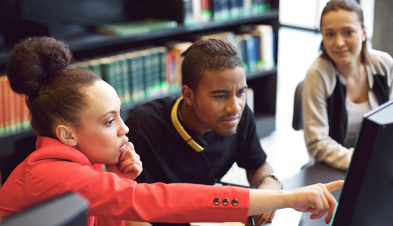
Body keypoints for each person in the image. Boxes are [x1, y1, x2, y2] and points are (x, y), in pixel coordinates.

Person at [0, 36, 343, 226]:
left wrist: (120, 179)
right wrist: (287, 199)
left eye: (119, 116)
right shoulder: (49, 172)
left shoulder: (80, 164)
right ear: (67, 134)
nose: (125, 128)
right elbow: (153, 201)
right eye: (109, 121)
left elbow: (110, 215)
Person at [125, 38, 284, 226]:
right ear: (188, 95)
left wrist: (270, 183)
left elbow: (257, 164)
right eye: (220, 96)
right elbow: (129, 209)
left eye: (241, 93)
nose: (235, 106)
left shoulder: (239, 116)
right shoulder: (144, 126)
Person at [303, 0, 393, 171]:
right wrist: (363, 160)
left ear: (364, 32)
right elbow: (317, 143)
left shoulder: (384, 64)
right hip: (334, 168)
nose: (339, 43)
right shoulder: (318, 74)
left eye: (348, 32)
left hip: (379, 163)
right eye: (330, 34)